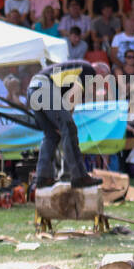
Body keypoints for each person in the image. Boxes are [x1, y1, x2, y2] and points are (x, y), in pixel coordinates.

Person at [27, 61, 100, 189]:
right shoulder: (89, 71)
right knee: (69, 128)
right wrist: (67, 124)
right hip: (44, 87)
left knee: (52, 135)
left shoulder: (73, 72)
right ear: (99, 73)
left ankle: (42, 177)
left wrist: (65, 121)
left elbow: (67, 103)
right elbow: (73, 96)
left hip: (33, 88)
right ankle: (79, 176)